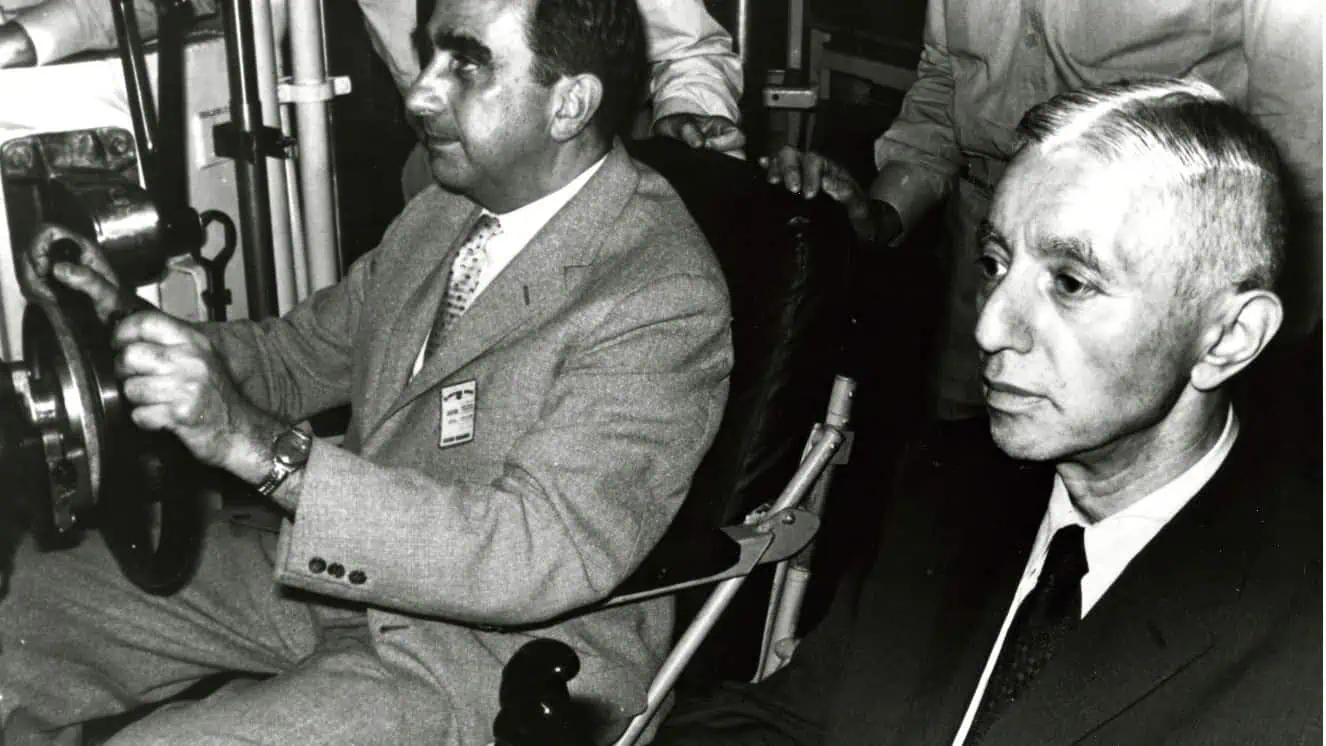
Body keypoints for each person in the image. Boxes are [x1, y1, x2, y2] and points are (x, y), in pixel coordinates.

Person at [0, 0, 734, 743]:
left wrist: (260, 449)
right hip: (348, 591)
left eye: (466, 65)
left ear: (570, 103)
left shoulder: (658, 293)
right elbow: (290, 359)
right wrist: (122, 317)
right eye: (428, 57)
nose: (419, 92)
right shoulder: (445, 214)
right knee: (32, 600)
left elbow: (534, 551)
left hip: (498, 659)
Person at [654, 78, 1322, 745]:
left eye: (1070, 282)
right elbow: (791, 722)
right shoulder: (952, 484)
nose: (992, 326)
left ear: (1228, 337)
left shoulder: (1298, 623)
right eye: (995, 263)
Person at [763, 0, 1322, 422]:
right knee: (980, 511)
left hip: (1145, 286)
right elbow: (945, 84)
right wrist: (879, 214)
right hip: (984, 261)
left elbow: (1301, 153)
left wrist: (1270, 362)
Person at [0, 0, 745, 155]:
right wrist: (29, 37)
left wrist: (689, 119)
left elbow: (691, 50)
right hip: (449, 169)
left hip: (603, 163)